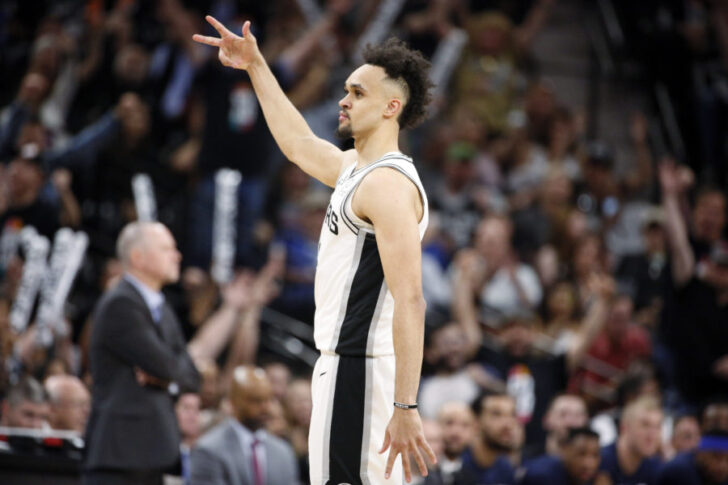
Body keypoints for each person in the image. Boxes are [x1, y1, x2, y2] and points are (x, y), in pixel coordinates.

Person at [193, 16, 437, 484]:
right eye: (347, 88)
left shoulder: (386, 183)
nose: (343, 100)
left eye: (358, 93)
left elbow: (411, 299)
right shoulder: (355, 168)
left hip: (360, 370)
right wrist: (256, 65)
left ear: (392, 107)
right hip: (343, 366)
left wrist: (405, 405)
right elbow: (298, 144)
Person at [83, 221, 201, 485]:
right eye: (166, 249)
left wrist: (165, 378)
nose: (177, 255)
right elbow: (169, 368)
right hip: (119, 457)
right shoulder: (121, 303)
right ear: (138, 257)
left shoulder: (163, 308)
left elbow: (191, 377)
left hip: (148, 456)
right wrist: (169, 375)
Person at [189, 366, 298, 485]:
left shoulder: (283, 452)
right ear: (234, 401)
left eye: (268, 400)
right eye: (256, 400)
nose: (265, 407)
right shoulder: (209, 450)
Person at [455, 391, 518, 485]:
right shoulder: (456, 466)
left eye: (512, 414)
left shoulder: (505, 468)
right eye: (497, 414)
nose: (508, 424)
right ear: (475, 422)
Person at [598, 396, 663, 485]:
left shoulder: (656, 466)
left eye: (657, 427)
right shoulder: (600, 460)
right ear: (624, 428)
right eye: (645, 425)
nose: (652, 435)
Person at [520, 427, 603, 485]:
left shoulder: (595, 478)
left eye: (595, 455)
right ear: (565, 450)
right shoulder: (541, 476)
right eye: (581, 454)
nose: (588, 464)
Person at [656, 429, 728, 485]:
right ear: (700, 454)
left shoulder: (721, 478)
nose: (724, 466)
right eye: (717, 457)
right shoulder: (679, 471)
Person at [541, 393, 589, 458]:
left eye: (578, 415)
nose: (571, 422)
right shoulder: (528, 462)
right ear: (547, 419)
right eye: (563, 414)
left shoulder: (599, 463)